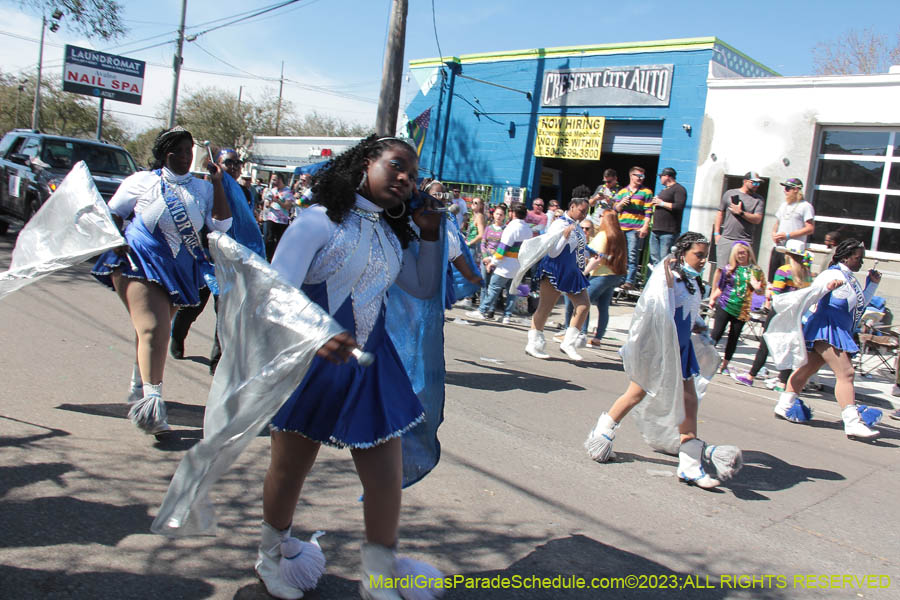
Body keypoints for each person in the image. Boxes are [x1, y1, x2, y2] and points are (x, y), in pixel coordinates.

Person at [257, 135, 446, 599]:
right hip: (311, 365)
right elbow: (272, 293)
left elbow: (423, 286)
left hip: (372, 370)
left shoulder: (389, 235)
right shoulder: (317, 222)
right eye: (396, 165)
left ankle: (378, 579)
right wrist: (317, 333)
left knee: (385, 478)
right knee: (289, 471)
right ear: (366, 162)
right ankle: (270, 556)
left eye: (413, 175)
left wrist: (429, 233)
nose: (405, 179)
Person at [91, 126, 232, 435]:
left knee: (153, 333)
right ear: (163, 154)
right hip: (136, 262)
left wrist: (219, 183)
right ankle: (152, 406)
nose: (184, 156)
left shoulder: (204, 188)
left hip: (176, 269)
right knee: (154, 329)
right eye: (177, 151)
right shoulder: (140, 182)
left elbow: (221, 224)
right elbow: (111, 213)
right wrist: (114, 240)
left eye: (188, 150)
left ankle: (136, 387)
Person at [584, 232, 742, 489]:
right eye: (698, 255)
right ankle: (602, 433)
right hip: (660, 349)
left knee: (688, 402)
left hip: (681, 349)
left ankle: (690, 466)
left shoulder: (691, 281)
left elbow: (689, 313)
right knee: (637, 393)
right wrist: (666, 278)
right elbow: (656, 308)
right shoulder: (669, 278)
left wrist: (700, 326)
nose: (703, 260)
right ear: (682, 253)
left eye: (705, 256)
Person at [766, 239, 883, 441]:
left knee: (807, 369)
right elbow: (810, 296)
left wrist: (872, 284)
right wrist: (826, 288)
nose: (861, 263)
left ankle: (784, 405)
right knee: (847, 373)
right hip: (826, 330)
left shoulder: (850, 278)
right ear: (846, 256)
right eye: (858, 258)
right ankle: (852, 422)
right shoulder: (832, 274)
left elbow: (857, 309)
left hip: (838, 330)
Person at [169, 148, 266, 375]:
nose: (233, 167)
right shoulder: (204, 188)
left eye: (237, 163)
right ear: (216, 164)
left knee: (225, 310)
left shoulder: (245, 192)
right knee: (194, 305)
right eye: (228, 163)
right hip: (205, 257)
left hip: (231, 260)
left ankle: (218, 360)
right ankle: (177, 335)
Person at [524, 189, 592, 361]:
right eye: (581, 211)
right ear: (572, 206)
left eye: (586, 212)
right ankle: (533, 343)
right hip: (554, 269)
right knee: (545, 308)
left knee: (584, 305)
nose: (584, 215)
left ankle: (568, 343)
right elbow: (553, 252)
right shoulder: (558, 224)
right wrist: (564, 236)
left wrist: (592, 254)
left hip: (571, 271)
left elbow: (579, 249)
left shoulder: (577, 226)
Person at [733, 240, 811, 388]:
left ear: (788, 254)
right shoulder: (806, 273)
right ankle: (782, 382)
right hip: (795, 314)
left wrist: (769, 291)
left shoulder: (784, 270)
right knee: (789, 346)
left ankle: (751, 375)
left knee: (765, 343)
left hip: (778, 312)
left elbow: (776, 294)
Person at [467, 202, 534, 324]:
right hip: (518, 265)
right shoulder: (528, 229)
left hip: (505, 265)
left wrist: (493, 262)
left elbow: (502, 248)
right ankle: (507, 316)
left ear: (512, 213)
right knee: (512, 292)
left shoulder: (511, 228)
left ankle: (482, 311)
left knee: (493, 288)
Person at [708, 241, 766, 375]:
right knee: (716, 334)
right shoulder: (729, 269)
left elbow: (762, 291)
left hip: (742, 309)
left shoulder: (756, 271)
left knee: (733, 338)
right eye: (738, 253)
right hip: (725, 304)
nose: (741, 256)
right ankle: (706, 359)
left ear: (748, 253)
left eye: (743, 253)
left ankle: (724, 365)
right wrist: (712, 299)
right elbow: (721, 288)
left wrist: (757, 288)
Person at [580, 210, 627, 347]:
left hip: (601, 274)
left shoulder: (602, 235)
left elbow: (596, 257)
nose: (598, 219)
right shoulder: (619, 236)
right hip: (615, 275)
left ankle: (581, 333)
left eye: (600, 216)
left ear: (604, 219)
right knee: (603, 307)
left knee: (583, 302)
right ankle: (598, 338)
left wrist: (584, 273)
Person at [612, 166, 654, 289]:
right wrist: (621, 203)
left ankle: (629, 281)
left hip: (635, 228)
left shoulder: (646, 192)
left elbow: (648, 210)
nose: (640, 178)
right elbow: (616, 209)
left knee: (632, 255)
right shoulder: (622, 192)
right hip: (621, 227)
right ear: (631, 176)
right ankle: (619, 279)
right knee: (620, 255)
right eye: (638, 176)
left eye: (642, 176)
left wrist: (645, 226)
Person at [713, 171, 764, 266]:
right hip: (727, 238)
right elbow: (720, 212)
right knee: (721, 269)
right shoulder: (730, 193)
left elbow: (757, 219)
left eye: (759, 183)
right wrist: (716, 233)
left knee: (741, 271)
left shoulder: (758, 200)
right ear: (745, 181)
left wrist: (741, 213)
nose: (757, 185)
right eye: (754, 182)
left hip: (745, 241)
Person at [768, 178, 814, 281]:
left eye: (788, 188)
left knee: (788, 281)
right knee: (773, 280)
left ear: (796, 190)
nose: (785, 191)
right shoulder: (784, 205)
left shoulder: (805, 206)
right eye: (785, 188)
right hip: (779, 248)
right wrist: (774, 234)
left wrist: (788, 235)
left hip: (793, 252)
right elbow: (777, 223)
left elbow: (810, 228)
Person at [649, 167, 686, 266]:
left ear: (667, 176)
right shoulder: (664, 190)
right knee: (655, 259)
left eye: (661, 176)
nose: (660, 178)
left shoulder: (679, 189)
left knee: (665, 259)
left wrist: (661, 203)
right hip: (656, 229)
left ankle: (665, 279)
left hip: (668, 231)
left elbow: (679, 206)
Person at [478, 203, 507, 311]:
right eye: (497, 214)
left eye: (501, 214)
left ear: (504, 216)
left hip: (497, 258)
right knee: (484, 284)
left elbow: (504, 245)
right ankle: (482, 307)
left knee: (493, 285)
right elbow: (483, 243)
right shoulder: (488, 228)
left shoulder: (505, 230)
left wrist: (494, 256)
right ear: (493, 215)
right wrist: (485, 257)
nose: (499, 216)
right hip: (486, 258)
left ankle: (491, 309)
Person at [261, 173, 294, 261]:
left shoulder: (287, 192)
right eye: (272, 179)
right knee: (269, 239)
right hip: (271, 218)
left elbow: (287, 206)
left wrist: (278, 201)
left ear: (280, 180)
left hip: (282, 221)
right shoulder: (272, 190)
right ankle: (268, 258)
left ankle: (278, 259)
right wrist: (268, 202)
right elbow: (267, 204)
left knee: (280, 241)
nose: (273, 182)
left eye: (274, 180)